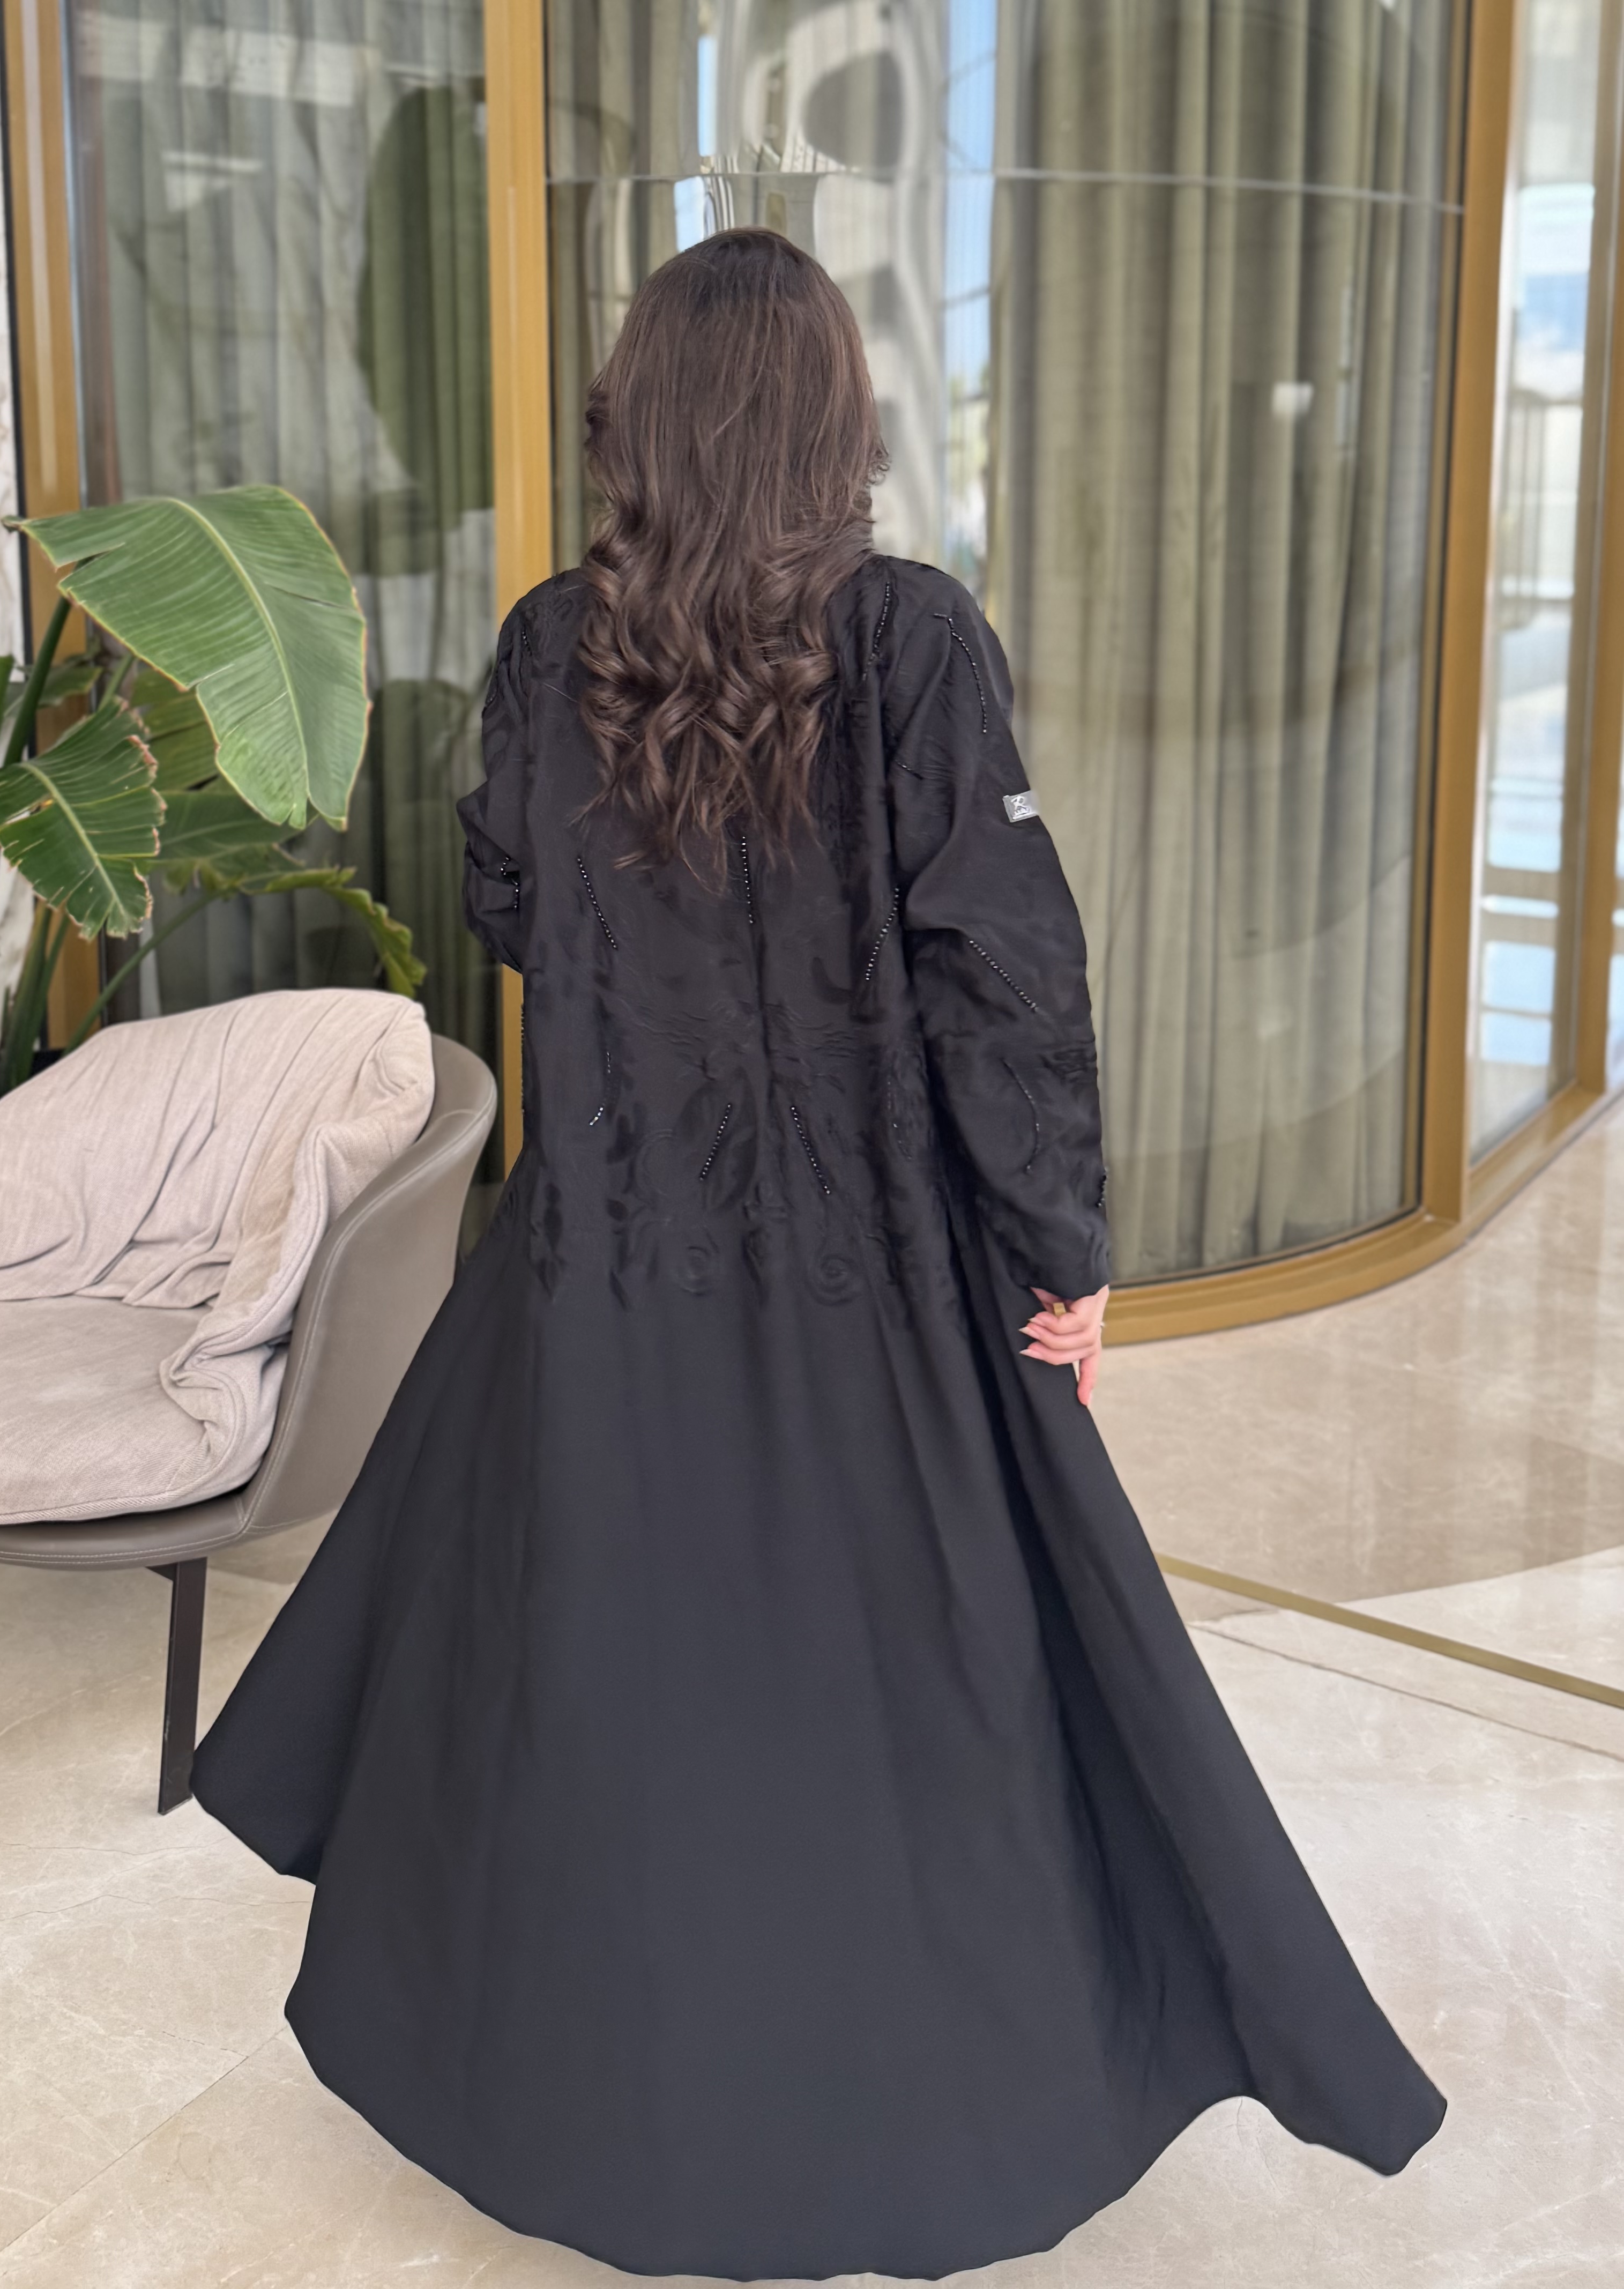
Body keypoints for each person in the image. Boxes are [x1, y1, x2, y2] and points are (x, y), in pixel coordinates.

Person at [193, 228, 1443, 2279]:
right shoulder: (914, 639)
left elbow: (512, 901)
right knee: (927, 1693)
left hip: (606, 1272)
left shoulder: (550, 644)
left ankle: (603, 2109)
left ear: (642, 417)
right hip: (874, 1276)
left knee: (597, 1688)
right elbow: (1005, 974)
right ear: (832, 418)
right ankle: (913, 2106)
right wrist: (1062, 1244)